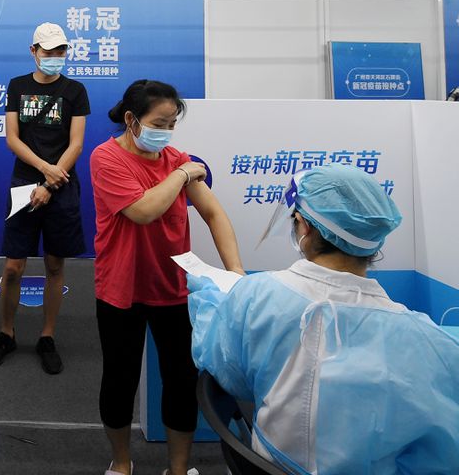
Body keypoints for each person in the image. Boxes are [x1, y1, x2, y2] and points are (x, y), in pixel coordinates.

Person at [188, 163, 459, 475]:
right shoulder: (426, 341)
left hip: (268, 465)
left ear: (304, 227)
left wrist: (212, 304)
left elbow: (230, 376)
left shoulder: (256, 295)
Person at [90, 79, 244, 475]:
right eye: (161, 122)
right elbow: (143, 210)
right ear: (131, 119)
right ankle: (121, 463)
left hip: (174, 288)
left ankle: (179, 469)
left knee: (180, 379)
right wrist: (180, 175)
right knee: (120, 379)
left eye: (173, 123)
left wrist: (236, 272)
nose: (168, 132)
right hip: (120, 288)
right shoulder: (106, 158)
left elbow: (214, 214)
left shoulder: (178, 158)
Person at [0, 21, 90, 375]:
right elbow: (12, 139)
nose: (56, 57)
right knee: (13, 266)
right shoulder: (18, 86)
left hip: (60, 185)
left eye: (61, 51)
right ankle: (6, 333)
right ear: (34, 52)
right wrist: (44, 171)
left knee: (55, 265)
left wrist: (51, 182)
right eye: (49, 52)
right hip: (25, 183)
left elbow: (76, 143)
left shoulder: (75, 90)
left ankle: (47, 336)